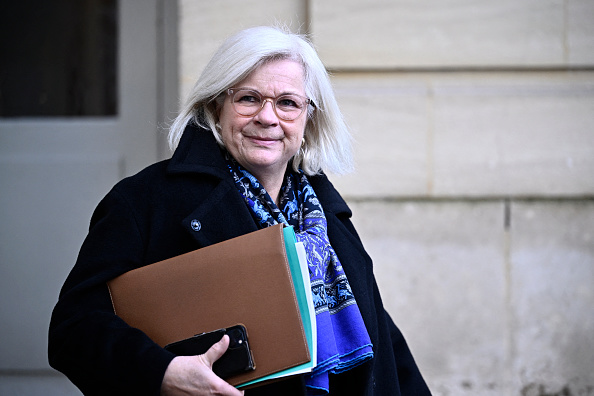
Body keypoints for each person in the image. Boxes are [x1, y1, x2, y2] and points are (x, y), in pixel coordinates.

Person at [49, 26, 432, 396]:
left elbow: (384, 345)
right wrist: (161, 373)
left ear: (308, 119)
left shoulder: (327, 216)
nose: (268, 117)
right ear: (217, 107)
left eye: (287, 102)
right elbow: (75, 328)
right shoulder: (143, 200)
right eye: (248, 98)